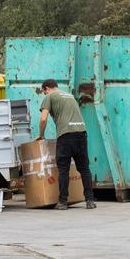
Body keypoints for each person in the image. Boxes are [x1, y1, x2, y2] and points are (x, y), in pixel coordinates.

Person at [38, 79, 95, 210]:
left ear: (46, 88)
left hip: (65, 136)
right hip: (81, 133)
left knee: (63, 170)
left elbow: (43, 119)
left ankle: (63, 202)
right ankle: (90, 200)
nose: (44, 94)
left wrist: (41, 135)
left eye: (43, 92)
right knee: (84, 169)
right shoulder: (69, 95)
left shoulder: (50, 96)